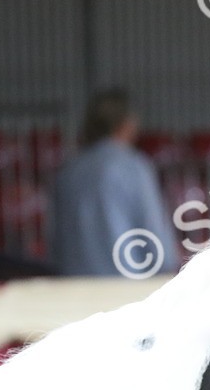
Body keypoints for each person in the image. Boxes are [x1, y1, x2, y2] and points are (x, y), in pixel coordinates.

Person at [51, 88, 180, 277]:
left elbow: (55, 241)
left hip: (75, 287)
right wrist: (167, 267)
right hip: (123, 288)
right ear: (126, 124)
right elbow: (153, 231)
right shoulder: (134, 167)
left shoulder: (68, 172)